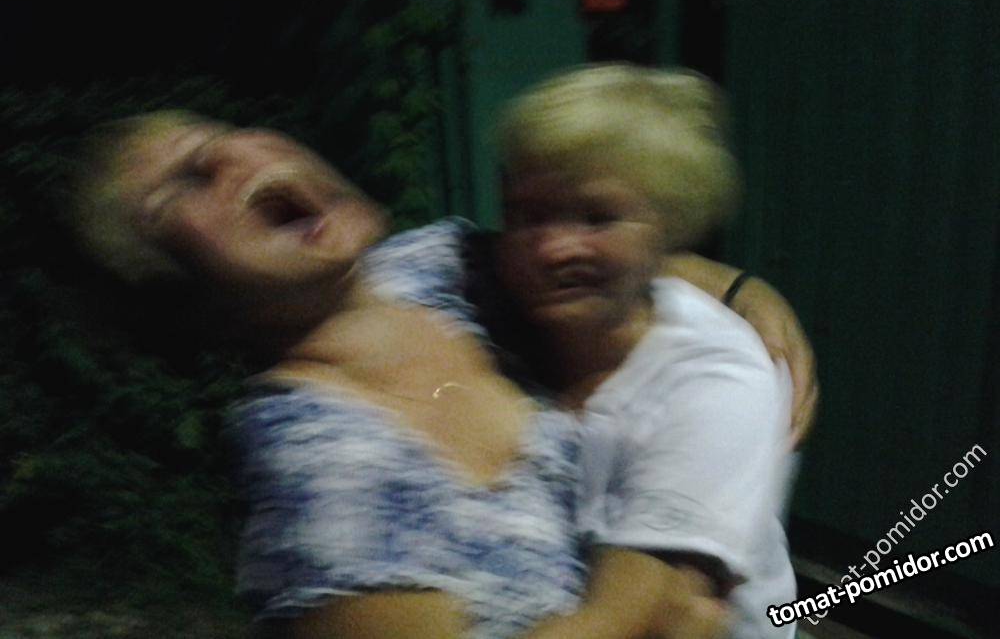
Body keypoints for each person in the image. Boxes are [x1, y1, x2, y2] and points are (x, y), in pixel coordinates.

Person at [73, 105, 813, 637]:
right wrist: (650, 604)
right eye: (181, 187)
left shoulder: (435, 267)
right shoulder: (321, 481)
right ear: (183, 305)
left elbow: (591, 255)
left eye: (224, 134)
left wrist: (736, 289)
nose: (228, 158)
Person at [492, 64, 797, 637]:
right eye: (528, 216)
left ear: (668, 227)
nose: (553, 248)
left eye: (597, 217)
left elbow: (624, 622)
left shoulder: (718, 383)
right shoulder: (487, 307)